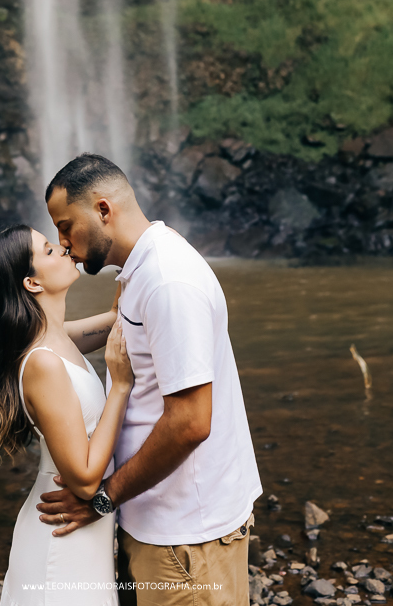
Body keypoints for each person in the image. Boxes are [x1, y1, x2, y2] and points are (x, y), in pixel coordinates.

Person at [37, 153, 262, 606]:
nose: (62, 244)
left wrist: (104, 498)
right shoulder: (141, 271)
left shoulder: (167, 282)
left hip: (186, 536)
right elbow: (110, 333)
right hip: (159, 522)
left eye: (65, 226)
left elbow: (192, 422)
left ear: (103, 210)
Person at [0, 223, 133, 606]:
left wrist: (127, 251)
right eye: (49, 250)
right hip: (61, 537)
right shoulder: (43, 363)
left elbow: (118, 320)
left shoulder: (57, 338)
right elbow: (87, 481)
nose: (63, 248)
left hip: (79, 529)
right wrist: (119, 387)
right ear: (33, 283)